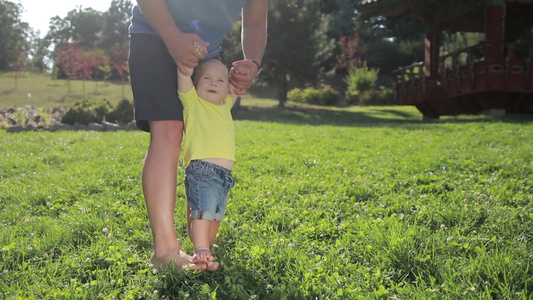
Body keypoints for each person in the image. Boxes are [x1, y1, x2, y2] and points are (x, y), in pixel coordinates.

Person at [128, 0, 267, 270]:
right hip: (155, 33)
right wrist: (172, 36)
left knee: (205, 134)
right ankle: (165, 251)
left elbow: (254, 22)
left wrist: (252, 62)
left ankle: (203, 237)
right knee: (169, 129)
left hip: (206, 52)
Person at [178, 58, 247, 271]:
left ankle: (204, 248)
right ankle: (200, 249)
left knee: (214, 216)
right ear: (196, 84)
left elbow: (238, 86)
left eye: (220, 80)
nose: (214, 83)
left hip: (225, 176)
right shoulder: (193, 103)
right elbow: (183, 80)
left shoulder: (226, 104)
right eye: (206, 79)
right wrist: (185, 70)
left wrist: (242, 72)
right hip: (202, 169)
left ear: (227, 88)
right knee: (203, 212)